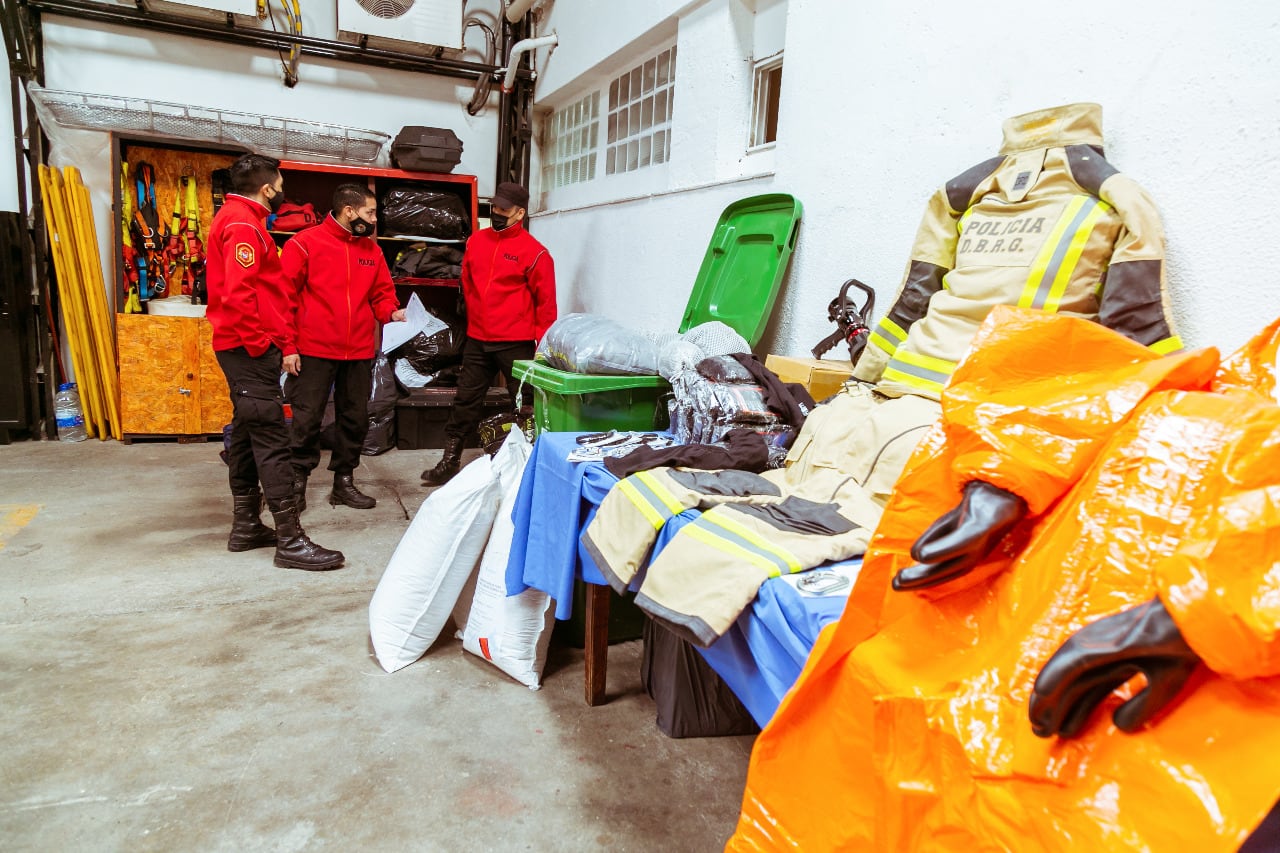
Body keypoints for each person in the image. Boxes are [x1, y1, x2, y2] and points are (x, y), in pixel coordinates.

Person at [206, 152, 344, 572]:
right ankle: (290, 539)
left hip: (249, 348)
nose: (284, 191)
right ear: (268, 188)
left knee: (248, 435)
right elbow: (239, 295)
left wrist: (280, 342)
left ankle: (246, 527)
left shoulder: (240, 218)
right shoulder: (244, 225)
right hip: (247, 350)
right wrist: (258, 345)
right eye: (281, 184)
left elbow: (268, 294)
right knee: (271, 437)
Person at [421, 181, 556, 485]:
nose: (496, 213)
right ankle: (450, 460)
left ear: (520, 213)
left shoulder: (536, 254)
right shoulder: (476, 242)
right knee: (464, 400)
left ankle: (529, 465)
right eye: (494, 207)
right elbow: (467, 281)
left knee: (526, 404)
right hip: (478, 339)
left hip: (516, 343)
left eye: (504, 209)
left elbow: (546, 306)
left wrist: (541, 350)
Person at [280, 183, 406, 511]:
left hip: (360, 351)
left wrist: (392, 311)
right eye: (370, 212)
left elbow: (381, 294)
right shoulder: (304, 244)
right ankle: (296, 482)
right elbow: (284, 299)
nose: (374, 219)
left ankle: (344, 482)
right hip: (313, 349)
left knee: (355, 419)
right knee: (306, 420)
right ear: (349, 211)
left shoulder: (372, 251)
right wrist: (287, 347)